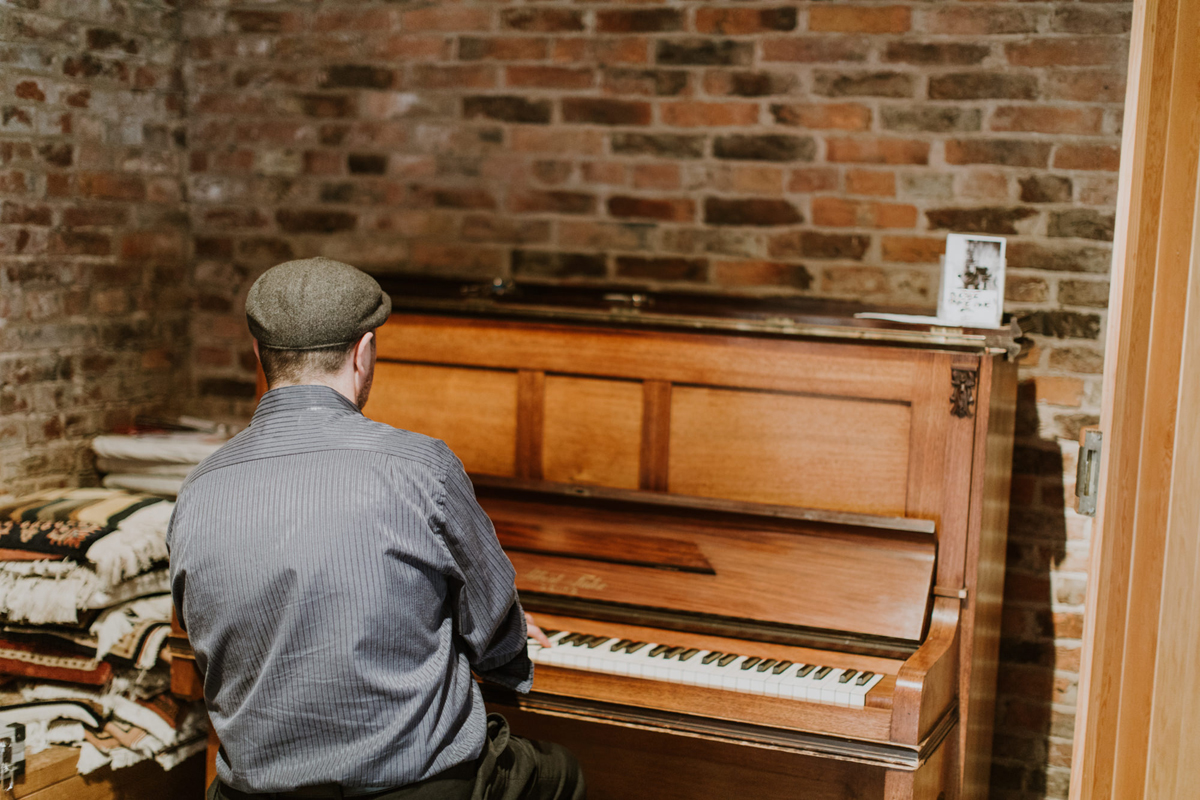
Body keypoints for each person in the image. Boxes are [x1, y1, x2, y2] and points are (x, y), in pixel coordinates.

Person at [167, 258, 585, 800]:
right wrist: (502, 639)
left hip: (254, 793)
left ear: (258, 354)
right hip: (415, 790)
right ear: (363, 353)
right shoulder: (422, 466)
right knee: (563, 772)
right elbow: (494, 636)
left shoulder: (198, 489)